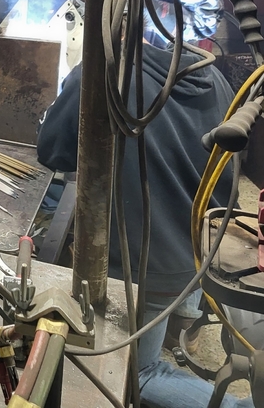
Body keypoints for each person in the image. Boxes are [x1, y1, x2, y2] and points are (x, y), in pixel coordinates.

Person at [37, 45, 244, 408]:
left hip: (149, 269)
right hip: (203, 250)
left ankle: (237, 405)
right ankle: (182, 320)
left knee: (137, 372)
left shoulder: (103, 74)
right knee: (175, 282)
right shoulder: (213, 77)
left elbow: (54, 151)